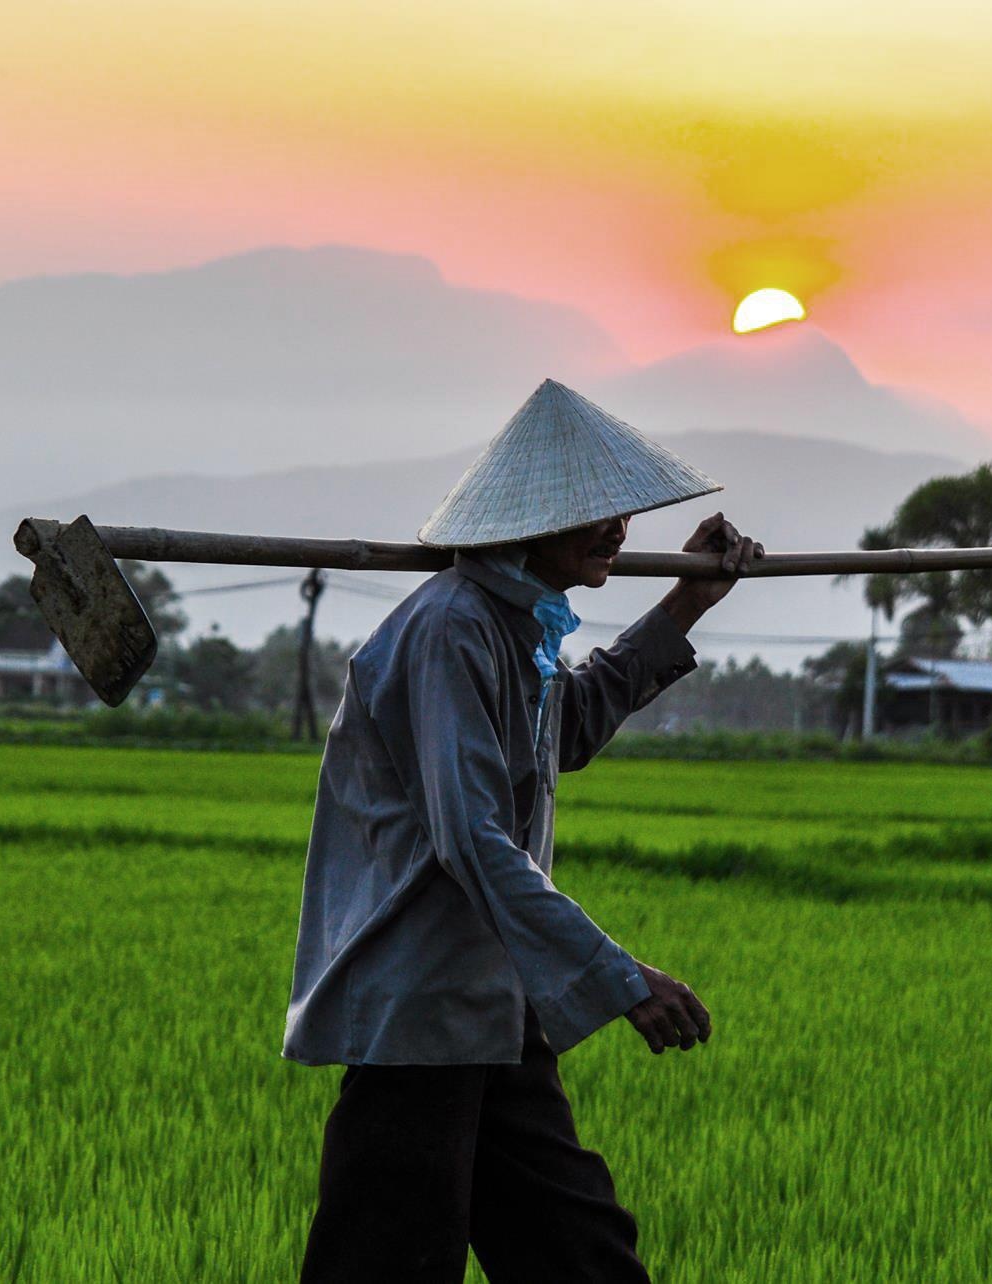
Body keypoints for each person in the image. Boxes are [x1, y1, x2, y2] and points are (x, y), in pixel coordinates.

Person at [284, 379, 761, 1283]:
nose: (617, 529)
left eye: (621, 510)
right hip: (420, 1014)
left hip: (494, 1009)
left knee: (583, 1257)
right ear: (528, 523)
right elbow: (474, 840)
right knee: (386, 1260)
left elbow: (564, 731)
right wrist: (621, 978)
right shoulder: (451, 632)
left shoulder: (516, 627)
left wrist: (686, 608)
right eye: (590, 513)